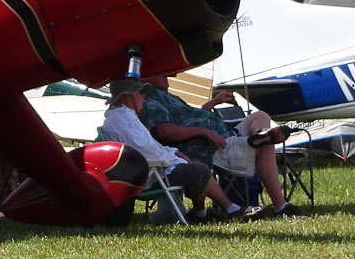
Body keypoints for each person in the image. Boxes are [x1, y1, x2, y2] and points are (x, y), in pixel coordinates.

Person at [138, 74, 304, 218]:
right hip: (216, 146)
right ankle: (281, 206)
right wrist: (203, 131)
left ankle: (259, 135)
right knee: (266, 144)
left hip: (227, 134)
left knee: (260, 115)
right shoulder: (152, 98)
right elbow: (164, 131)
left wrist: (214, 102)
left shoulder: (166, 97)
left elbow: (193, 115)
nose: (168, 77)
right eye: (162, 75)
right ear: (145, 78)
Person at [101, 79, 249, 222]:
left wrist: (173, 152)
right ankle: (209, 212)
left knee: (195, 167)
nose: (143, 96)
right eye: (140, 93)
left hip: (153, 169)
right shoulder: (121, 121)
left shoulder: (125, 117)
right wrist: (173, 158)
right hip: (150, 175)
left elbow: (150, 146)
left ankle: (214, 211)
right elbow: (146, 152)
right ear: (128, 96)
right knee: (199, 170)